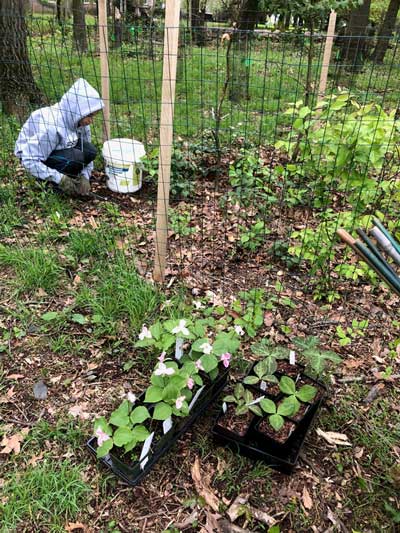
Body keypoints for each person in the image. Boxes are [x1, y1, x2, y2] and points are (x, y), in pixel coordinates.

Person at [15, 78, 104, 197]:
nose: (91, 121)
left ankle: (67, 174)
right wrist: (60, 179)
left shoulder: (80, 121)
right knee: (76, 156)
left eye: (93, 116)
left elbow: (86, 149)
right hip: (33, 157)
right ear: (77, 110)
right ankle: (47, 182)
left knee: (90, 151)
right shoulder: (51, 126)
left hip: (57, 150)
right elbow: (29, 159)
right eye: (89, 115)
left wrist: (85, 176)